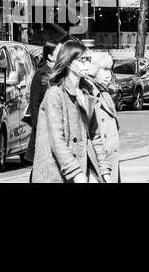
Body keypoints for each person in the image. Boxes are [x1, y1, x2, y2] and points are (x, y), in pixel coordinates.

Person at [30, 39, 105, 183]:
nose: (87, 64)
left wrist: (104, 171)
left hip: (84, 169)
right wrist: (76, 173)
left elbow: (95, 137)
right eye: (83, 60)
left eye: (88, 59)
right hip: (57, 173)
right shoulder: (55, 94)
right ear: (70, 62)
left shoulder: (87, 93)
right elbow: (57, 140)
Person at [84, 49, 121, 182]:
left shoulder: (105, 93)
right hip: (99, 163)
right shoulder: (89, 94)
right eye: (104, 69)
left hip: (110, 160)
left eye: (109, 69)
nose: (109, 74)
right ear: (93, 70)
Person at [23, 40, 57, 167]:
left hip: (55, 122)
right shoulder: (41, 74)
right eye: (58, 52)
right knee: (41, 162)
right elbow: (34, 103)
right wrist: (38, 126)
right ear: (50, 56)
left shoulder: (60, 72)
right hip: (43, 124)